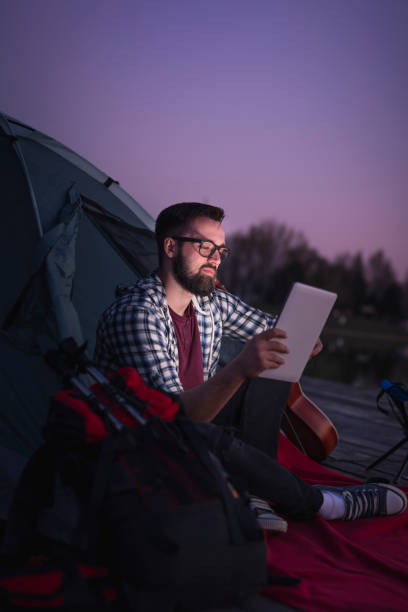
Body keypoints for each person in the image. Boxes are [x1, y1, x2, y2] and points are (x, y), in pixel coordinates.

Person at [94, 202, 407, 529]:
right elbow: (179, 419)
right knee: (245, 375)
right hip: (146, 447)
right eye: (204, 246)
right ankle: (327, 505)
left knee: (270, 363)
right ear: (170, 247)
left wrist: (302, 336)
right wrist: (240, 367)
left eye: (220, 250)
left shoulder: (208, 301)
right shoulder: (138, 314)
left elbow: (273, 327)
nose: (215, 258)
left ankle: (255, 493)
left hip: (198, 425)